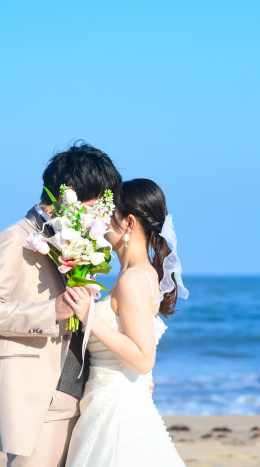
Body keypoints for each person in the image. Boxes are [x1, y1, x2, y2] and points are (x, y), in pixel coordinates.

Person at [0, 142, 121, 467]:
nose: (104, 214)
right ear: (70, 195)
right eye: (99, 202)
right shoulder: (13, 239)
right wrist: (52, 312)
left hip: (82, 396)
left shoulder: (80, 238)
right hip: (39, 400)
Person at [62, 178, 189, 467]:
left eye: (110, 215)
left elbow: (144, 359)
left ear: (129, 223)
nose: (103, 222)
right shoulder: (139, 273)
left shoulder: (133, 279)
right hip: (113, 398)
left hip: (116, 408)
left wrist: (88, 317)